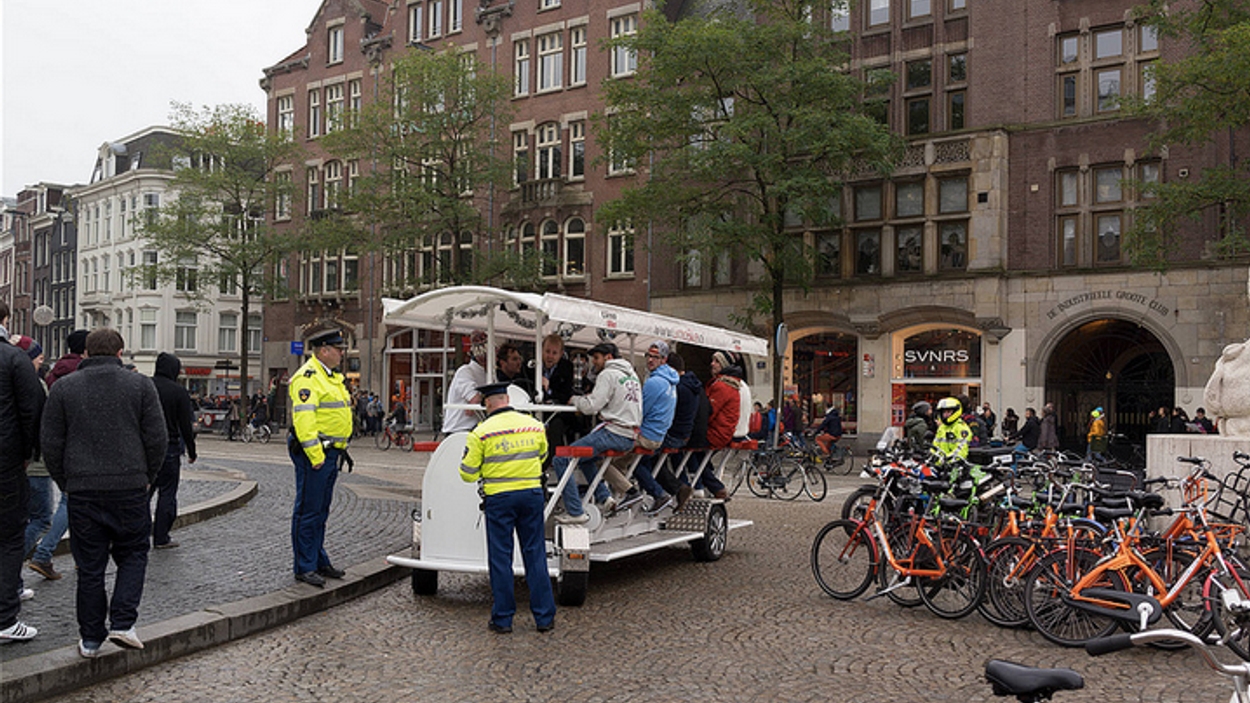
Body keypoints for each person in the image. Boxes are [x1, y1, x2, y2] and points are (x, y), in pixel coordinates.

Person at [42, 328, 167, 657]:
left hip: (82, 489)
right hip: (129, 487)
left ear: (85, 354)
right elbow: (157, 438)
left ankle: (91, 638)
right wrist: (147, 478)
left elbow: (51, 442)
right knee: (134, 553)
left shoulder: (64, 388)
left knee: (89, 566)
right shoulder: (140, 385)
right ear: (120, 353)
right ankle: (123, 623)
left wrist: (65, 481)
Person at [459, 382, 556, 633]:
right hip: (532, 495)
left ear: (489, 403)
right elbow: (543, 457)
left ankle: (503, 619)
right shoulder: (534, 426)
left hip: (499, 499)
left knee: (501, 558)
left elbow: (467, 474)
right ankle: (544, 617)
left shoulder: (480, 433)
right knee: (535, 554)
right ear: (507, 398)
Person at [287, 329, 354, 588]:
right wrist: (315, 455)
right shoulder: (307, 378)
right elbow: (305, 421)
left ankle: (317, 558)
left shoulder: (331, 377)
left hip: (331, 452)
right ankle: (304, 566)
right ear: (324, 350)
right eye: (338, 349)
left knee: (320, 510)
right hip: (316, 454)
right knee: (308, 510)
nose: (342, 353)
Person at [549, 342, 642, 523]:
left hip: (613, 432)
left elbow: (592, 406)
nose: (594, 363)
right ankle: (605, 499)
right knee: (586, 459)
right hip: (629, 435)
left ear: (608, 357)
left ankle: (575, 512)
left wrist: (575, 399)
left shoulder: (608, 374)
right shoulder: (632, 375)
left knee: (561, 458)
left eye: (596, 358)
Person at [0, 304, 43, 643]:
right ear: (5, 320)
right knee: (9, 537)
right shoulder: (14, 359)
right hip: (5, 464)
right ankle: (4, 618)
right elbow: (32, 410)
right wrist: (28, 454)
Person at [15, 336, 55, 585]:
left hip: (20, 462)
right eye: (39, 359)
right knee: (41, 518)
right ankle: (10, 569)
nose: (41, 363)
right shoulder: (36, 386)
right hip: (36, 464)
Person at [619, 341, 679, 510]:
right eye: (649, 356)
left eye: (655, 357)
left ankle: (635, 494)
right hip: (659, 434)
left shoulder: (655, 382)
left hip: (646, 435)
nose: (650, 360)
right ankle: (646, 494)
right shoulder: (670, 381)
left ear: (663, 360)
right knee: (639, 463)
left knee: (612, 459)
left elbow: (639, 410)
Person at [149, 352, 198, 550]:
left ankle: (139, 532)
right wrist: (191, 451)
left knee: (144, 494)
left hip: (148, 448)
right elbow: (186, 425)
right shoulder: (178, 392)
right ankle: (161, 536)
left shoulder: (146, 386)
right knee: (167, 494)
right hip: (170, 448)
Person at [441, 331, 488, 435]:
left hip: (476, 429)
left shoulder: (488, 374)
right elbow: (474, 399)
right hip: (459, 430)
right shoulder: (465, 371)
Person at [932, 397, 972, 461]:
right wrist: (932, 458)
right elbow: (935, 446)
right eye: (944, 412)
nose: (945, 414)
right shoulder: (942, 427)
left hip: (955, 466)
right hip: (940, 466)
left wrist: (948, 461)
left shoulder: (961, 428)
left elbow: (961, 450)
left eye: (948, 411)